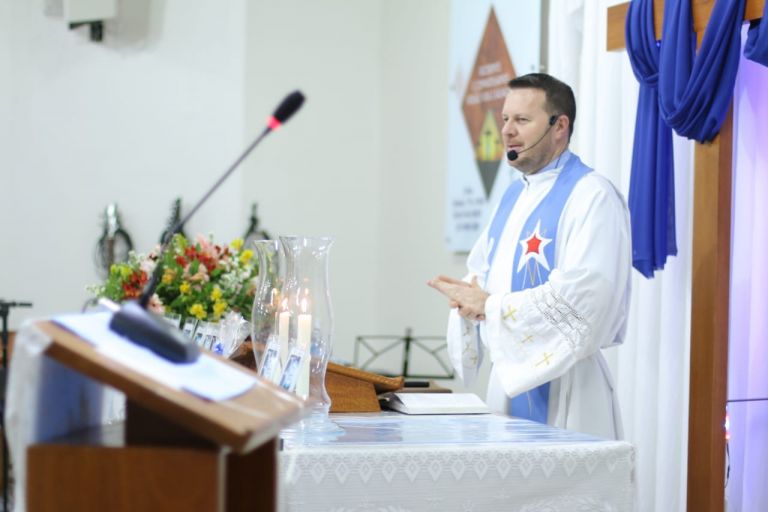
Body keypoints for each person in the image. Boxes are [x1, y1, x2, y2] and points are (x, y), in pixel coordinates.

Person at [429, 73, 630, 439]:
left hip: (569, 388)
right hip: (508, 384)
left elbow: (587, 296)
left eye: (521, 120)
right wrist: (468, 299)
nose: (507, 130)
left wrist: (490, 306)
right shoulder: (513, 197)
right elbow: (482, 274)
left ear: (559, 126)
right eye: (505, 119)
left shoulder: (592, 195)